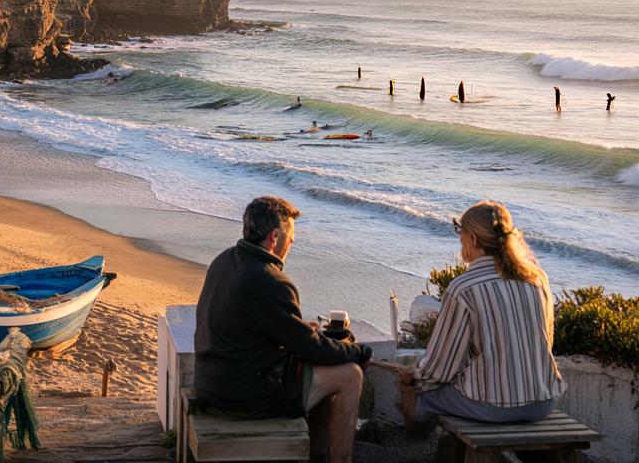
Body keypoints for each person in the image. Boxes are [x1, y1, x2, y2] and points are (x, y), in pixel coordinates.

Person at [195, 197, 372, 463]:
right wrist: (358, 351)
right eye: (290, 237)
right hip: (243, 396)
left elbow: (261, 326)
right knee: (350, 375)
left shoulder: (224, 261)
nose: (292, 243)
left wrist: (301, 332)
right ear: (274, 236)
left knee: (317, 371)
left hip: (210, 382)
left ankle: (317, 453)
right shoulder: (272, 281)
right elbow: (311, 348)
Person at [396, 201, 565, 429]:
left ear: (473, 239)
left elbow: (441, 369)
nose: (459, 240)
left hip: (493, 405)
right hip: (544, 400)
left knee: (418, 398)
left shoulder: (463, 288)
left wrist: (414, 379)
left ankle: (415, 447)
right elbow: (546, 341)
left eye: (461, 233)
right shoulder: (537, 278)